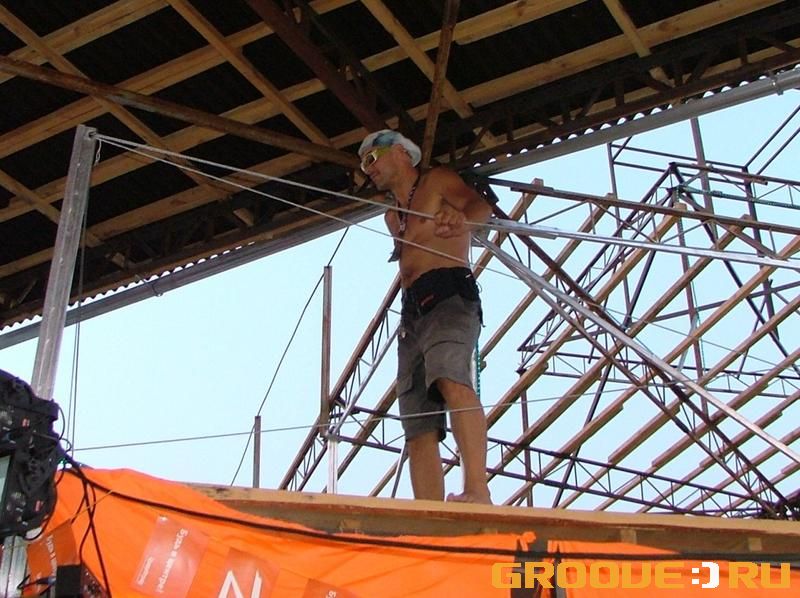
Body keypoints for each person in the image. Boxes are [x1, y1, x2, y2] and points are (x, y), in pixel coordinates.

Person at [358, 129, 493, 504]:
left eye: (372, 158)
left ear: (401, 152)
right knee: (417, 419)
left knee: (450, 378)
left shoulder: (436, 181)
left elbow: (480, 207)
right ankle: (428, 513)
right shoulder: (393, 216)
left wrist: (462, 220)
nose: (368, 169)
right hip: (412, 308)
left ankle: (477, 490)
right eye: (363, 165)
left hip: (448, 291)